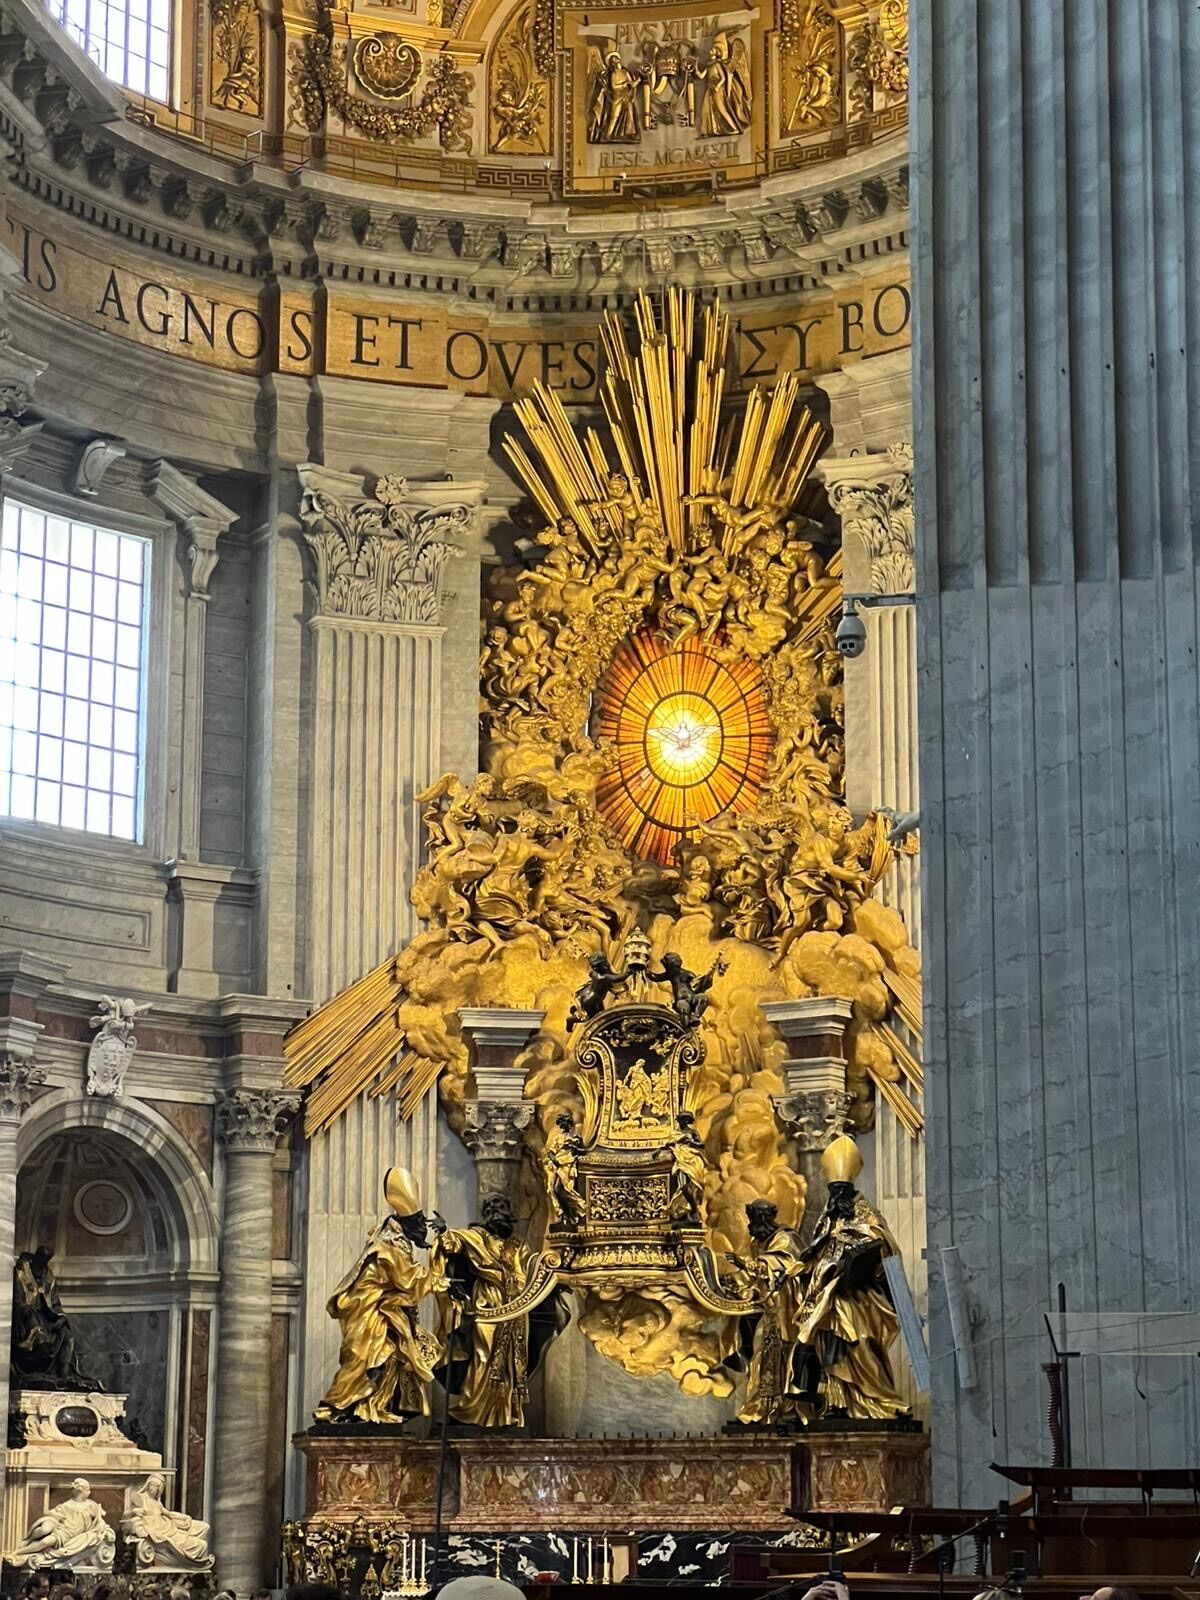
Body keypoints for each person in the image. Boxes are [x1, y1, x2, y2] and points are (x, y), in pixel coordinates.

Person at [314, 1168, 446, 1424]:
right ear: (407, 1222)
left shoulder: (395, 1239)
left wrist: (438, 1241)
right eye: (420, 1223)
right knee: (362, 1359)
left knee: (386, 1358)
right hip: (366, 1311)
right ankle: (334, 1407)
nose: (423, 1229)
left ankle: (369, 1408)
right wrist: (442, 1281)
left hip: (380, 1312)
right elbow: (408, 1279)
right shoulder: (387, 1246)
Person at [434, 1194, 565, 1428]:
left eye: (503, 1206)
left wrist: (551, 1283)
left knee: (512, 1364)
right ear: (486, 1215)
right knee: (483, 1356)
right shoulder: (475, 1237)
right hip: (488, 1303)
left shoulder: (518, 1245)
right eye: (493, 1207)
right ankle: (471, 1411)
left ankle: (505, 1415)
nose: (498, 1211)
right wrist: (443, 1231)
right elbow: (451, 1243)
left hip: (518, 1308)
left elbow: (531, 1272)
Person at [123, 1472, 213, 1570]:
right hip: (157, 1532)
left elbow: (169, 1514)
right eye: (152, 1485)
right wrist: (135, 1511)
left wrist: (185, 1517)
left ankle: (190, 1552)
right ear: (148, 1485)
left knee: (201, 1539)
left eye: (157, 1487)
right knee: (197, 1544)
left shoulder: (158, 1503)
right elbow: (127, 1515)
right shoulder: (140, 1498)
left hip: (168, 1528)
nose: (153, 1488)